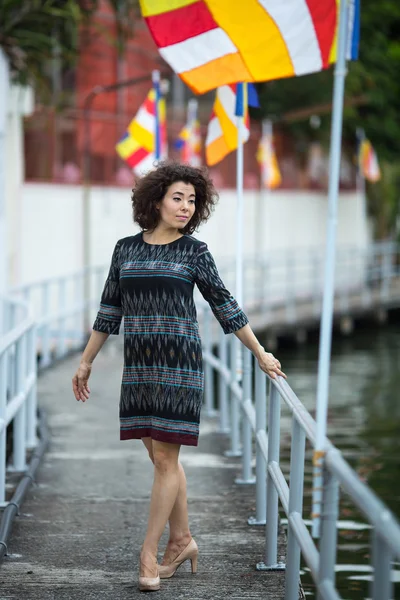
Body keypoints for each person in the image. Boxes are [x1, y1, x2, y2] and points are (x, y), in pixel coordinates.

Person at [72, 162, 286, 592]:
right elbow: (110, 309)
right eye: (178, 197)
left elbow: (224, 304)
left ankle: (148, 553)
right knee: (160, 459)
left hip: (178, 365)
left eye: (192, 200)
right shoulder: (125, 250)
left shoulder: (194, 253)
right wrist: (86, 360)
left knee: (166, 460)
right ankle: (183, 540)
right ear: (155, 200)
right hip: (140, 367)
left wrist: (260, 351)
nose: (186, 206)